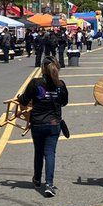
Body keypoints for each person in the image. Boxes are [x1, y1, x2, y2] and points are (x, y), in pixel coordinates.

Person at [17, 57, 69, 197]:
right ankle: (49, 184)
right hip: (54, 123)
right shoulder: (60, 85)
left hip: (38, 123)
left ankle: (37, 179)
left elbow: (24, 100)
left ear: (43, 69)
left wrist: (20, 97)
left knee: (38, 152)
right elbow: (64, 102)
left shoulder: (35, 83)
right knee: (50, 153)